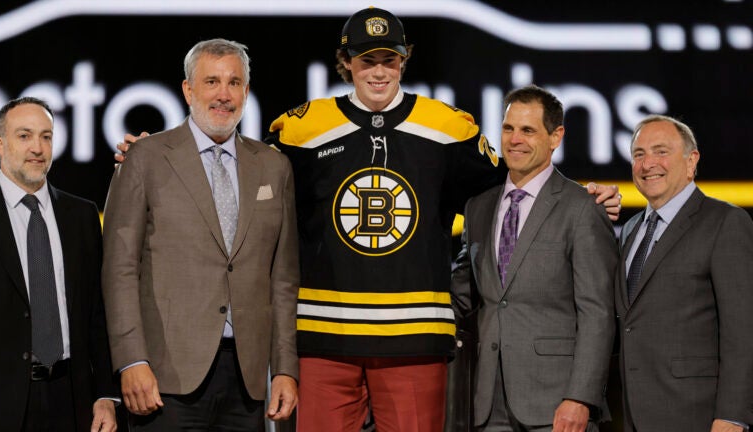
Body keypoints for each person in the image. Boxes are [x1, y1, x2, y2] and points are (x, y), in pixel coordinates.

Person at [114, 9, 621, 432]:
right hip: (321, 339)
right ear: (346, 63)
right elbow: (231, 173)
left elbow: (516, 179)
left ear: (403, 61)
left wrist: (577, 195)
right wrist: (156, 152)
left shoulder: (449, 127)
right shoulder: (300, 129)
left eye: (389, 59)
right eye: (366, 59)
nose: (378, 71)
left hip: (415, 338)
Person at [101, 38, 299, 430]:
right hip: (164, 377)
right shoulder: (146, 158)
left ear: (246, 91)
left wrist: (285, 368)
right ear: (188, 90)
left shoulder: (275, 168)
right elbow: (120, 268)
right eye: (211, 82)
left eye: (234, 83)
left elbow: (283, 280)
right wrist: (131, 360)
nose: (223, 95)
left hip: (247, 379)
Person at [451, 85, 617, 432]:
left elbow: (597, 313)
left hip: (556, 405)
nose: (515, 139)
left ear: (556, 137)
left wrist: (581, 397)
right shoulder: (478, 207)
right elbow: (462, 294)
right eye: (508, 128)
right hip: (487, 401)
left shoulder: (582, 208)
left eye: (528, 130)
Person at [0, 97, 117, 431]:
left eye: (46, 136)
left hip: (72, 400)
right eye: (25, 136)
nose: (37, 148)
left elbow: (98, 315)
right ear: (0, 144)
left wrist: (106, 394)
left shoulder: (83, 216)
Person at [616, 115, 753, 432]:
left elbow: (744, 331)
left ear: (691, 162)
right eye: (639, 154)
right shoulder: (631, 230)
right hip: (635, 414)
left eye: (661, 151)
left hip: (699, 416)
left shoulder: (725, 223)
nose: (648, 163)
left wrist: (733, 416)